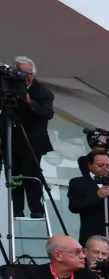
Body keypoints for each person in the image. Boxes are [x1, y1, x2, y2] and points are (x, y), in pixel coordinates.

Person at [7, 57, 54, 219]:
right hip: (12, 139)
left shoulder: (43, 91)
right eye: (21, 73)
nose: (26, 77)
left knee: (31, 174)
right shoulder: (8, 86)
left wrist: (29, 102)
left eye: (29, 73)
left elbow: (48, 113)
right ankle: (16, 209)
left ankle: (36, 209)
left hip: (33, 141)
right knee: (15, 175)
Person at [67, 152, 109, 243]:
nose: (105, 168)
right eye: (100, 165)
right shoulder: (79, 182)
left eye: (107, 165)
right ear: (90, 165)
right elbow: (74, 207)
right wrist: (97, 196)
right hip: (93, 236)